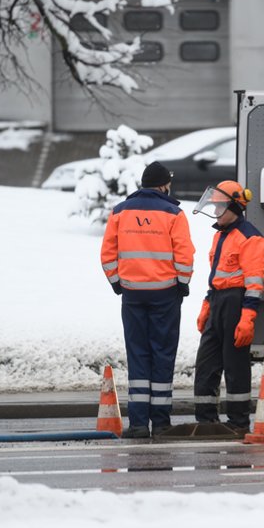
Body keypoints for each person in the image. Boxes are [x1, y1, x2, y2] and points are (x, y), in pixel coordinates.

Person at [100, 162, 195, 439]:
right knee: (162, 355)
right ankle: (161, 423)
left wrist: (118, 282)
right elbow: (185, 255)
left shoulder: (119, 212)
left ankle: (139, 424)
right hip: (165, 295)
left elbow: (107, 254)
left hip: (132, 295)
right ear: (164, 185)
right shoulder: (174, 213)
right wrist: (183, 284)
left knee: (138, 355)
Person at [192, 180, 264, 434]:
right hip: (217, 300)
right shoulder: (220, 235)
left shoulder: (250, 237)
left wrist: (247, 317)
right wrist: (206, 304)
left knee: (235, 366)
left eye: (218, 207)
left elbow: (254, 282)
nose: (214, 212)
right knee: (206, 364)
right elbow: (215, 274)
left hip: (236, 302)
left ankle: (238, 422)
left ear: (233, 206)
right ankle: (205, 421)